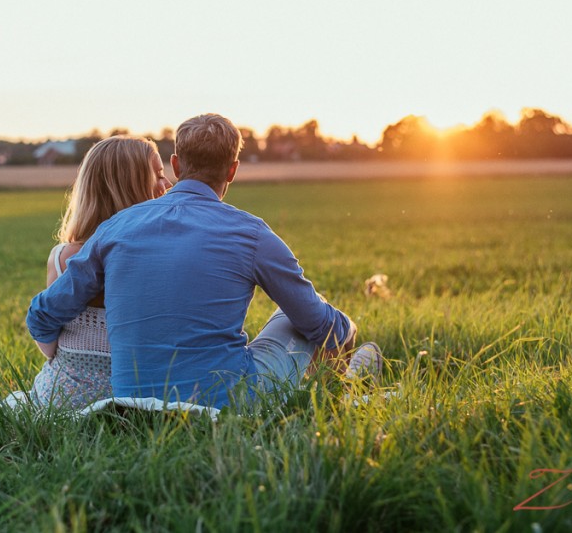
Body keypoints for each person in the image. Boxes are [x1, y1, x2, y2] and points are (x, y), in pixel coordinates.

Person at [27, 113, 379, 410]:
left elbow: (42, 315)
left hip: (130, 402)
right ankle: (339, 397)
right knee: (301, 315)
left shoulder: (116, 228)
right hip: (228, 403)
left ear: (177, 165)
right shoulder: (252, 233)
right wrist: (346, 329)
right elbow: (319, 325)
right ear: (233, 170)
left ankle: (338, 392)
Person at [28, 135, 172, 409]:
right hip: (139, 398)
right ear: (131, 186)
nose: (168, 184)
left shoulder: (63, 258)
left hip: (62, 398)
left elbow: (49, 348)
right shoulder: (160, 257)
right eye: (158, 175)